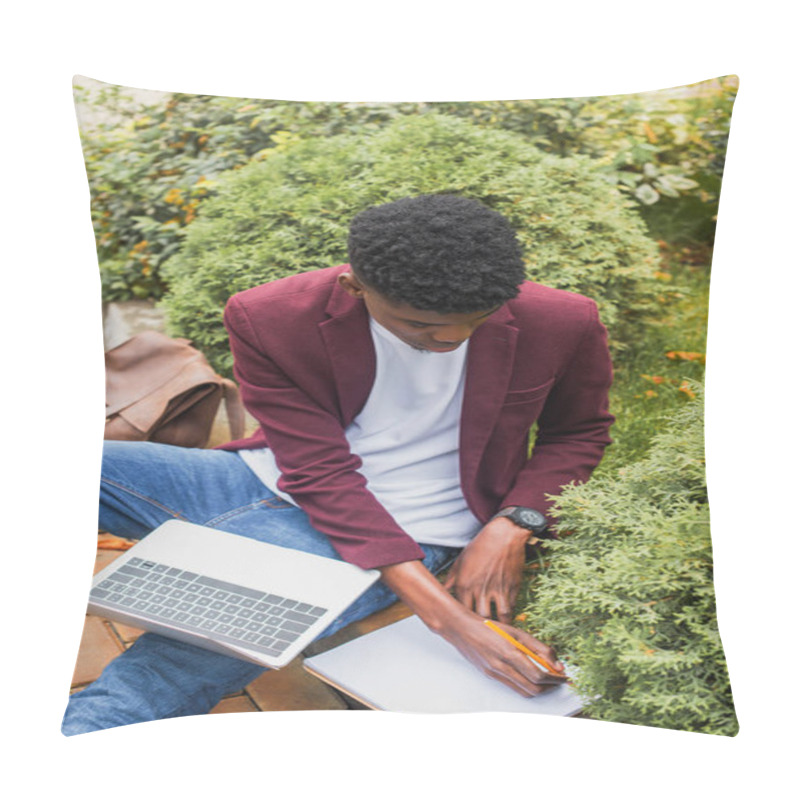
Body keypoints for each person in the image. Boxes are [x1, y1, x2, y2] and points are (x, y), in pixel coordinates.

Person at [62, 194, 614, 734]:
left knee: (174, 662)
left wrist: (514, 523)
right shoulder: (269, 315)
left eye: (475, 321)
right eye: (418, 324)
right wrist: (454, 623)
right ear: (355, 287)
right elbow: (320, 472)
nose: (449, 337)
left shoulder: (562, 321)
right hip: (257, 478)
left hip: (402, 530)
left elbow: (578, 431)